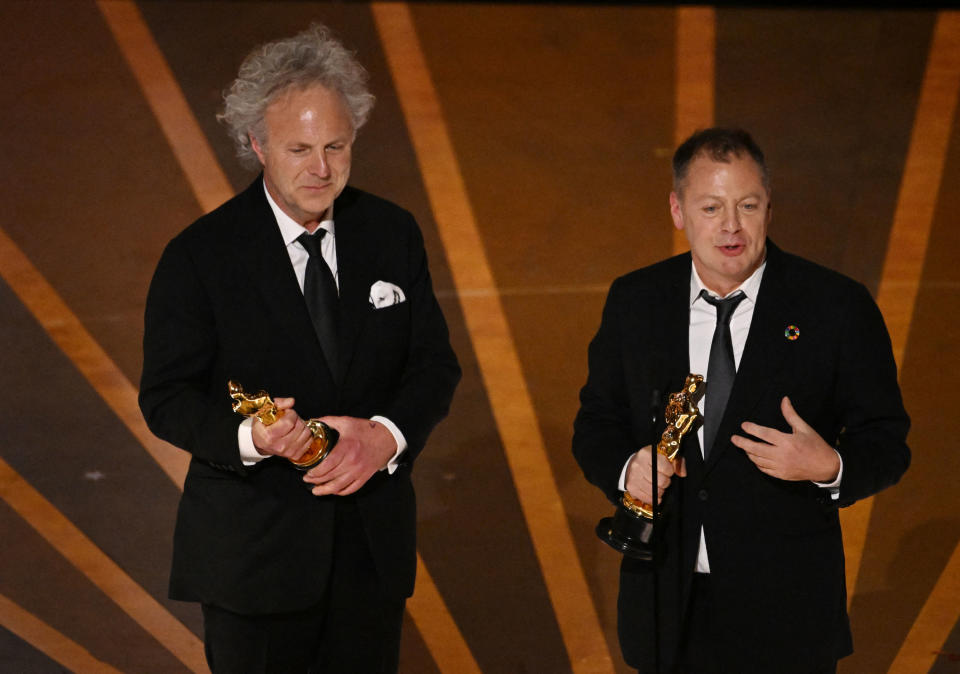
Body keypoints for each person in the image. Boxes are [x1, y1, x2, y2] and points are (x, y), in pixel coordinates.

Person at [139, 24, 460, 673]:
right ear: (255, 143)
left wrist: (385, 437)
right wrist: (256, 440)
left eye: (336, 145)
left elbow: (434, 364)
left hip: (370, 558)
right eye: (300, 148)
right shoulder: (200, 257)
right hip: (253, 567)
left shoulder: (392, 233)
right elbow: (167, 398)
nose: (322, 168)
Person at [572, 128, 910, 673]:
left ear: (769, 208)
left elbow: (888, 442)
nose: (731, 226)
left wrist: (829, 466)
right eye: (712, 207)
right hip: (666, 609)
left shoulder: (835, 307)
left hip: (786, 614)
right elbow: (596, 422)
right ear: (678, 210)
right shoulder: (636, 301)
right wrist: (627, 467)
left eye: (747, 205)